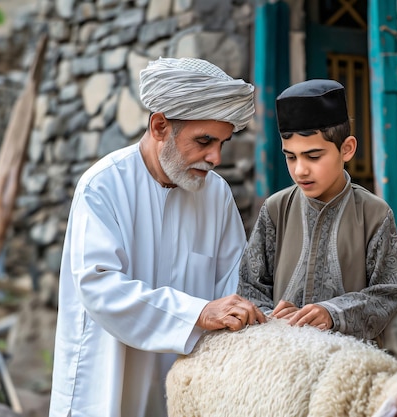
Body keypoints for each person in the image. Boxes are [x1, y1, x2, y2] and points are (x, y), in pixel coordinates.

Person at [49, 57, 266, 417]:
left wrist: (260, 314)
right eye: (204, 141)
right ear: (160, 126)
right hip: (108, 381)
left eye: (222, 143)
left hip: (185, 387)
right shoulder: (103, 186)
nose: (215, 157)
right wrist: (199, 312)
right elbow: (99, 286)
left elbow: (233, 288)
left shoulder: (216, 195)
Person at [238, 79, 397, 341]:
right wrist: (275, 318)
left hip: (349, 366)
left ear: (347, 149)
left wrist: (332, 314)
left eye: (313, 156)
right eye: (291, 157)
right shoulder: (275, 209)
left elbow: (387, 293)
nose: (300, 170)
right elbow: (250, 287)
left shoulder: (375, 214)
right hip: (282, 360)